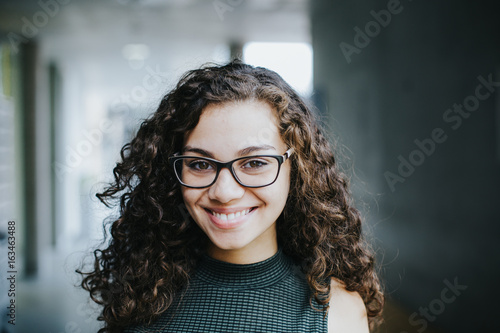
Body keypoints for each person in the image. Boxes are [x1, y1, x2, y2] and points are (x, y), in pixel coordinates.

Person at [78, 61, 384, 333]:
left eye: (254, 163)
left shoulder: (336, 312)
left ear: (297, 167)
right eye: (199, 164)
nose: (224, 192)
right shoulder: (139, 296)